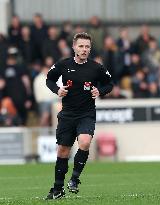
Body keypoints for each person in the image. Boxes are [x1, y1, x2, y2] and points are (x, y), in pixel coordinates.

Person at [45, 32, 113, 200]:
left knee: (84, 141)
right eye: (81, 46)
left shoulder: (96, 67)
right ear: (74, 47)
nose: (84, 49)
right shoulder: (63, 64)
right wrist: (57, 90)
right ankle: (58, 189)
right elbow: (49, 80)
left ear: (90, 49)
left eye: (87, 47)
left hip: (86, 114)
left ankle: (74, 179)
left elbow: (109, 83)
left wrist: (100, 91)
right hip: (67, 114)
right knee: (63, 151)